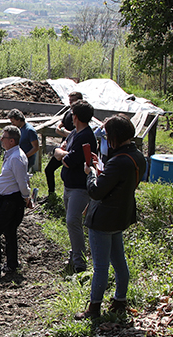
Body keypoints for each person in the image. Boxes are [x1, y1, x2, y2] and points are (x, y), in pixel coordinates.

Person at [84, 113, 146, 321]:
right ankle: (120, 300)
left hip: (103, 218)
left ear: (114, 136)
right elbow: (117, 182)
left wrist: (91, 172)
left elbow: (96, 192)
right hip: (121, 215)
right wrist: (102, 168)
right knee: (119, 261)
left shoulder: (118, 162)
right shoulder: (136, 156)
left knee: (101, 266)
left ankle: (94, 308)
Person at [0, 125, 33, 277]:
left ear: (11, 140)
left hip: (11, 202)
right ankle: (11, 264)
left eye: (3, 137)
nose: (0, 140)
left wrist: (26, 198)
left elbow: (22, 182)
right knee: (9, 231)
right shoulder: (12, 154)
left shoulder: (16, 157)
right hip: (8, 200)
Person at [54, 100, 97, 273]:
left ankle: (80, 262)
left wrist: (60, 153)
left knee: (73, 221)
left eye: (72, 113)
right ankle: (75, 254)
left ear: (76, 116)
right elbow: (64, 152)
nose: (71, 116)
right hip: (69, 185)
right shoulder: (75, 133)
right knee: (71, 222)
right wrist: (62, 152)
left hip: (79, 187)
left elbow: (68, 161)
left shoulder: (85, 136)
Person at [44, 90, 85, 198]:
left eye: (73, 101)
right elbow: (58, 128)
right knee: (49, 169)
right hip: (63, 148)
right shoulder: (68, 113)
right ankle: (51, 193)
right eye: (70, 100)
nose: (70, 103)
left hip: (72, 149)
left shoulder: (80, 116)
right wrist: (66, 133)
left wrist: (67, 133)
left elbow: (75, 133)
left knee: (70, 174)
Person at [8, 109, 40, 176]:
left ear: (19, 119)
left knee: (22, 177)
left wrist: (25, 156)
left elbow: (36, 147)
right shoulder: (20, 128)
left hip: (26, 160)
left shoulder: (29, 130)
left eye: (13, 121)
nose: (12, 124)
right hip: (20, 158)